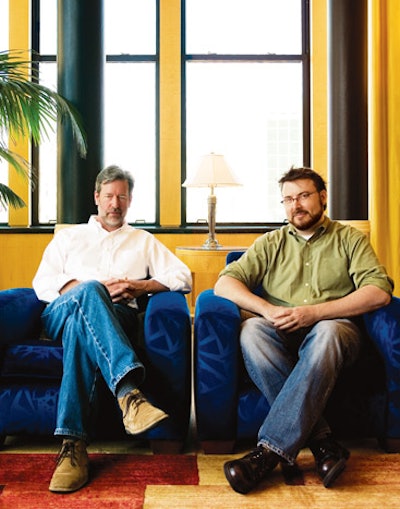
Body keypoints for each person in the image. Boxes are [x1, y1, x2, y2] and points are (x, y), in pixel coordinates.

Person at [215, 166, 393, 495]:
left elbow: (379, 291)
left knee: (326, 333)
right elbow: (225, 283)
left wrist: (315, 313)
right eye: (288, 199)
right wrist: (267, 310)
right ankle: (323, 441)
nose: (295, 205)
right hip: (280, 330)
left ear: (322, 198)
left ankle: (267, 452)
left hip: (336, 332)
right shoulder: (270, 243)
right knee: (251, 332)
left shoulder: (350, 238)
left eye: (304, 196)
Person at [32, 165, 192, 494]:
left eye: (121, 197)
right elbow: (42, 283)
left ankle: (73, 445)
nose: (114, 204)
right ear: (96, 198)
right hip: (62, 311)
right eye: (108, 197)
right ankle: (130, 395)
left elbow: (184, 277)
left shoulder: (143, 241)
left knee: (83, 329)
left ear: (130, 200)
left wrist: (139, 285)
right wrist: (85, 289)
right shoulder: (69, 237)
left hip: (118, 316)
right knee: (90, 295)